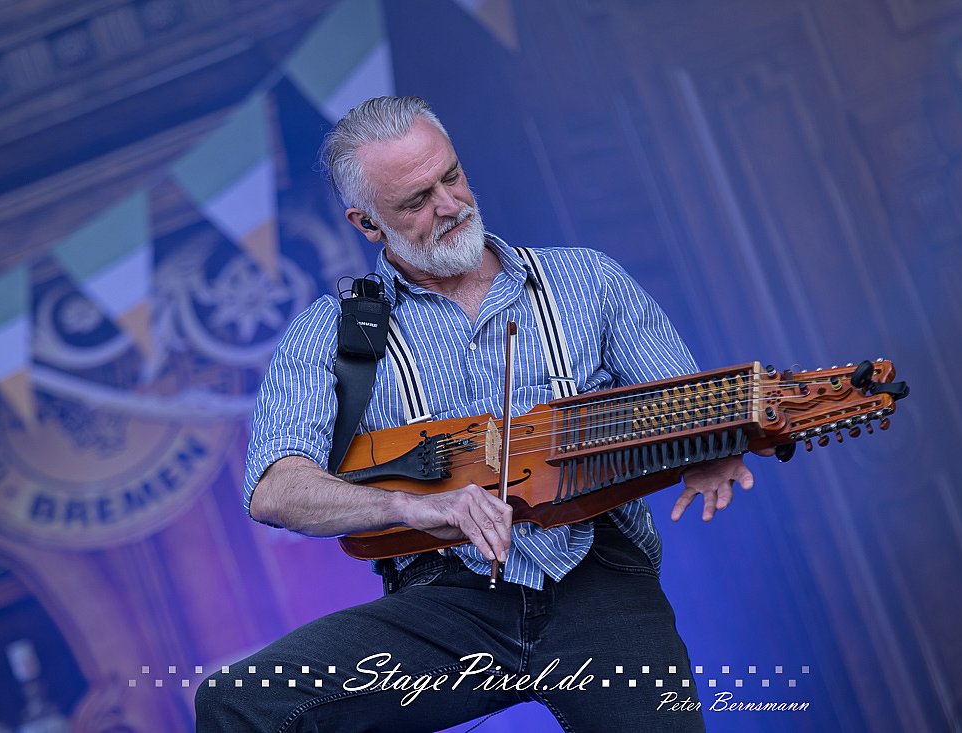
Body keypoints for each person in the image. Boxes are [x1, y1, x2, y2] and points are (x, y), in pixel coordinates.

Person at [195, 96, 766, 732]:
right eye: (416, 201)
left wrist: (716, 443)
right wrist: (411, 507)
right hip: (446, 600)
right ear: (367, 223)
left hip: (599, 576)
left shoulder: (588, 281)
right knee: (239, 701)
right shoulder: (326, 335)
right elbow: (274, 490)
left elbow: (687, 406)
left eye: (452, 176)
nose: (449, 205)